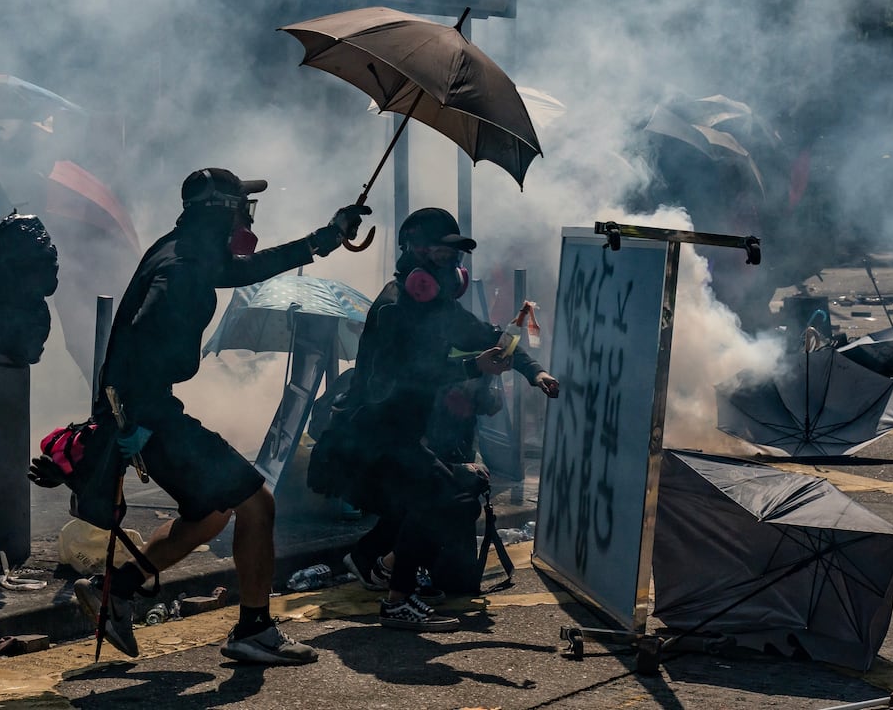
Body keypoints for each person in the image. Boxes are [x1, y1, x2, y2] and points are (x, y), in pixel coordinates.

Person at [73, 168, 369, 666]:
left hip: (142, 409)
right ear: (222, 209)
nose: (246, 214)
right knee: (257, 504)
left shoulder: (184, 248)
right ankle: (254, 629)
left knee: (211, 512)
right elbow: (144, 331)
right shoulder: (183, 267)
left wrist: (328, 237)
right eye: (241, 205)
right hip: (147, 412)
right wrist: (137, 416)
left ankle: (117, 589)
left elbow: (246, 270)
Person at [322, 208, 558, 631]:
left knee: (437, 496)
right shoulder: (396, 307)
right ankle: (397, 596)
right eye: (443, 254)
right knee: (445, 495)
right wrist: (472, 370)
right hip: (373, 436)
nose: (453, 265)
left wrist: (533, 371)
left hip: (402, 435)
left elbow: (489, 338)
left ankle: (372, 562)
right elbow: (402, 375)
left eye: (456, 257)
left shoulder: (437, 308)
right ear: (415, 252)